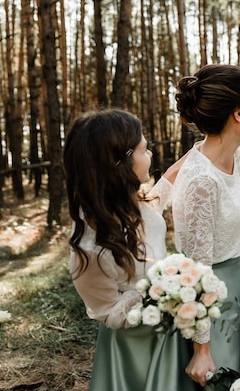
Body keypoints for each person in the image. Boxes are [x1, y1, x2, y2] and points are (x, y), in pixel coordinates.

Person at [65, 109, 193, 391]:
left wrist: (199, 152)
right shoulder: (89, 247)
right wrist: (158, 291)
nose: (150, 156)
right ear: (120, 162)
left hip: (170, 329)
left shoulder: (135, 203)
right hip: (133, 348)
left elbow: (163, 190)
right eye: (144, 149)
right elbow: (107, 311)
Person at [172, 64, 240, 389]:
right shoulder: (202, 180)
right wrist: (202, 348)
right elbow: (197, 270)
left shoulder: (238, 155)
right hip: (210, 299)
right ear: (238, 113)